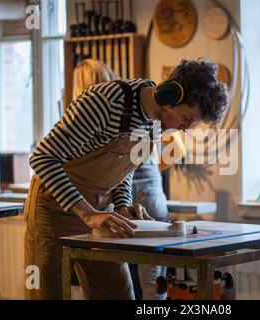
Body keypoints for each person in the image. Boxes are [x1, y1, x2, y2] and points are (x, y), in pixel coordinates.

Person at [24, 58, 229, 300]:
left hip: (101, 212)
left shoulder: (155, 123)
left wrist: (122, 205)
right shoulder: (105, 102)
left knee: (118, 294)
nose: (185, 128)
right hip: (53, 211)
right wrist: (87, 212)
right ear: (169, 96)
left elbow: (125, 167)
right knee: (47, 293)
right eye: (187, 118)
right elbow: (42, 158)